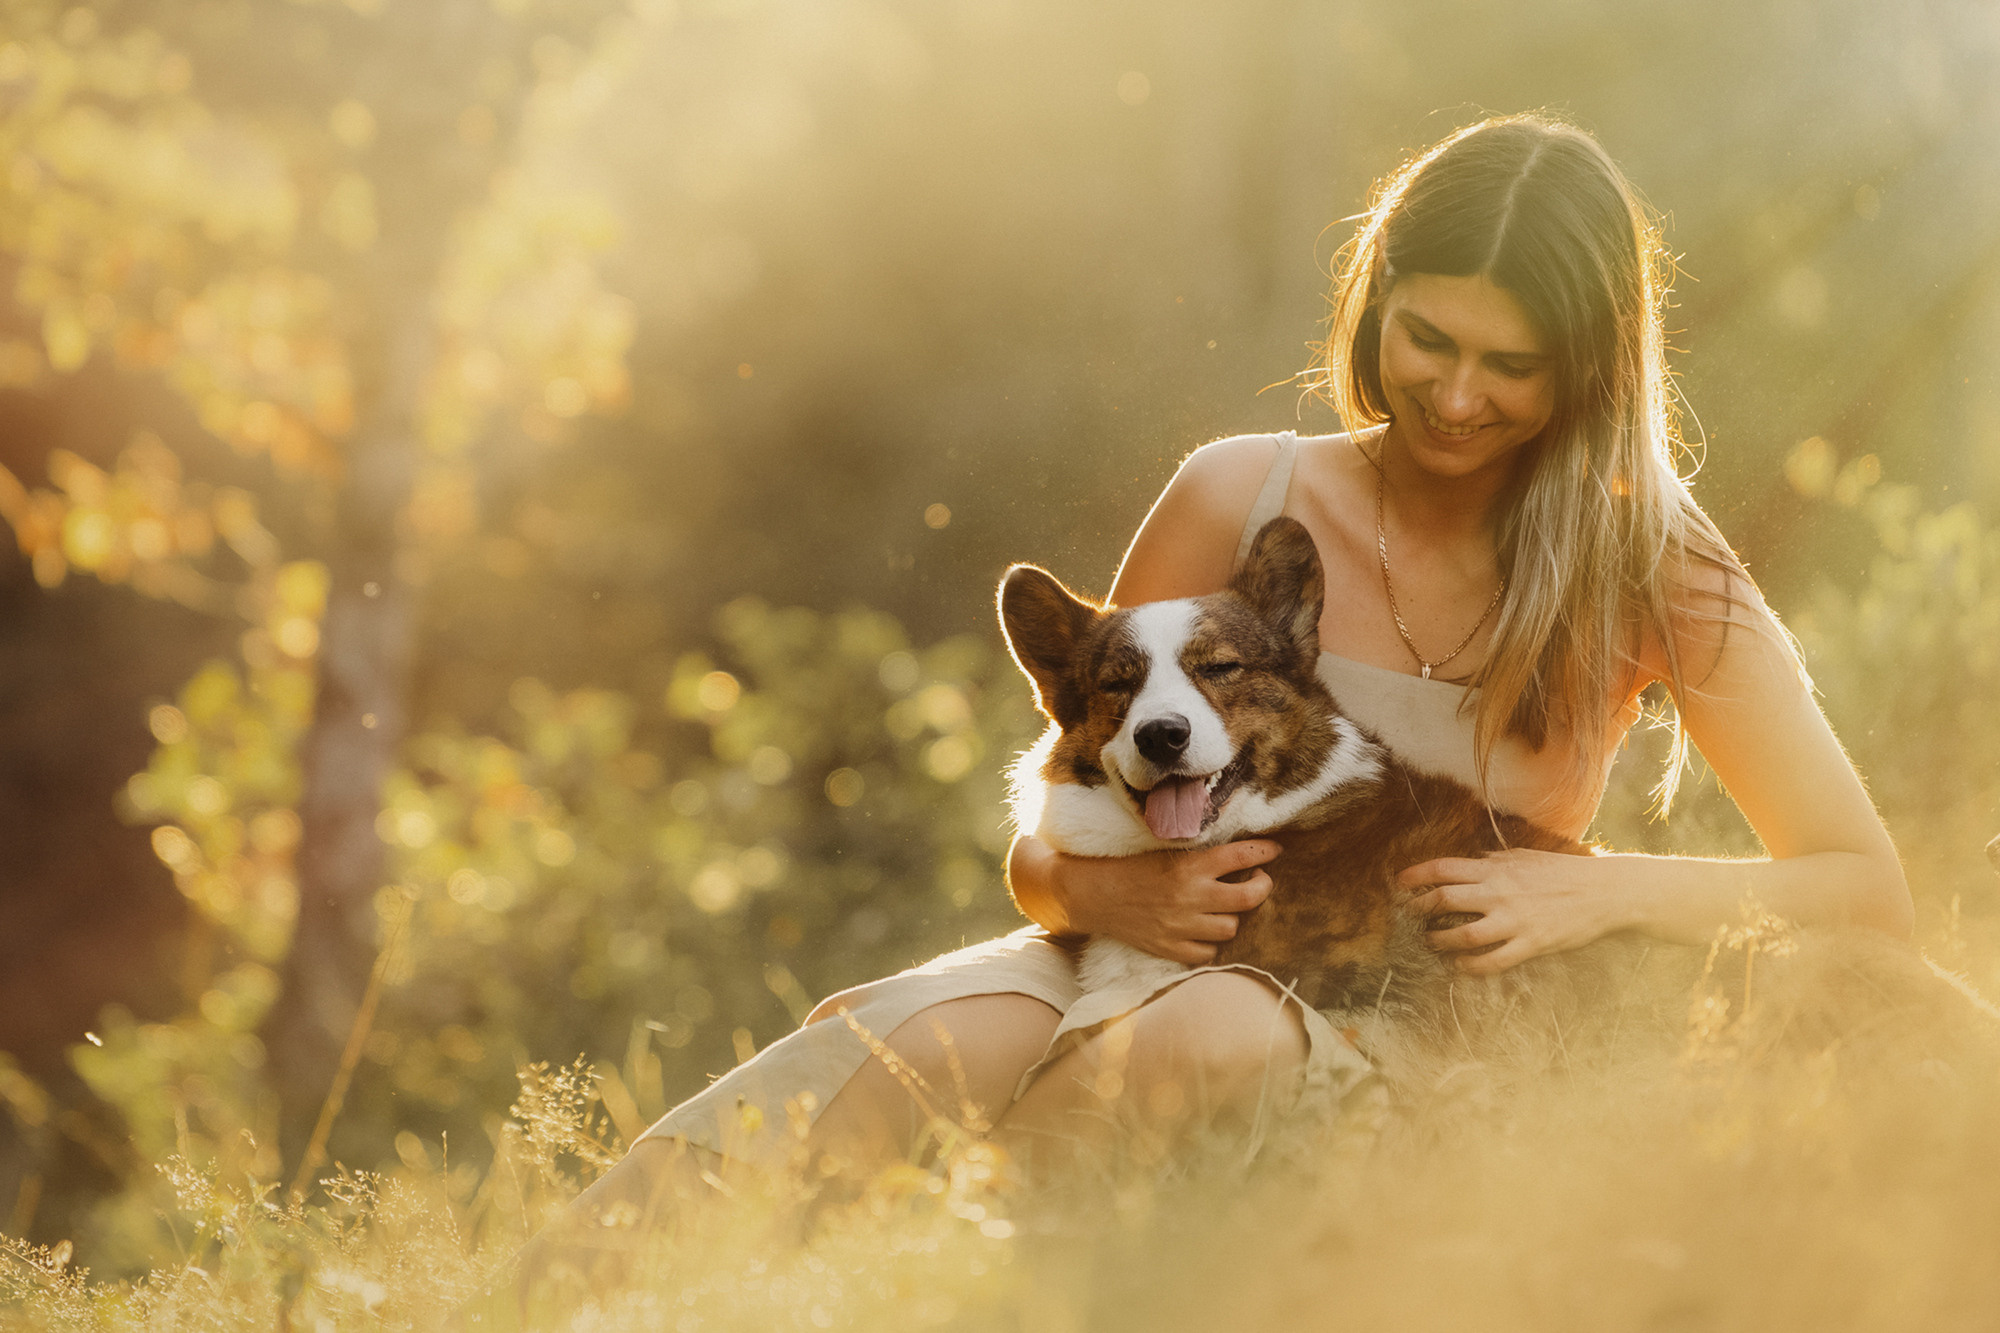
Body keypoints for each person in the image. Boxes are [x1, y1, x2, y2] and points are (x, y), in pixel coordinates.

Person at [525, 112, 1912, 1281]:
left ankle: (953, 1293)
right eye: (1429, 337)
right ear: (1377, 300)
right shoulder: (1238, 492)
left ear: (1592, 368)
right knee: (917, 1054)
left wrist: (1599, 891)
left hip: (1410, 1012)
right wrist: (1096, 896)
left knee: (1203, 1034)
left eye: (1514, 365)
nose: (1458, 394)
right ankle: (544, 1295)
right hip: (1135, 948)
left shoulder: (1649, 558)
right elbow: (1052, 829)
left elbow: (1860, 882)